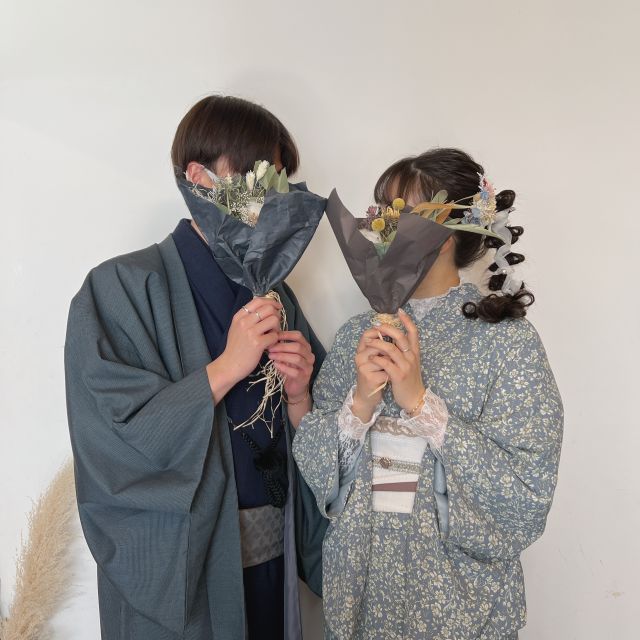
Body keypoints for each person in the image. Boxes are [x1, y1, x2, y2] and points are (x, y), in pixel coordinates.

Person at [65, 95, 327, 640]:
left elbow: (323, 429)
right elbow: (115, 436)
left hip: (274, 561)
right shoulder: (120, 287)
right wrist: (227, 367)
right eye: (256, 177)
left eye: (278, 182)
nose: (270, 198)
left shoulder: (274, 292)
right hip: (188, 569)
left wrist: (301, 395)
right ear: (199, 177)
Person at [292, 148, 564, 639]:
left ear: (445, 232)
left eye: (399, 213)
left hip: (455, 595)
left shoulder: (507, 341)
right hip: (365, 579)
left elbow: (526, 493)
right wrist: (361, 402)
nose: (381, 226)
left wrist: (422, 404)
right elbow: (316, 471)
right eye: (381, 212)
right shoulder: (358, 334)